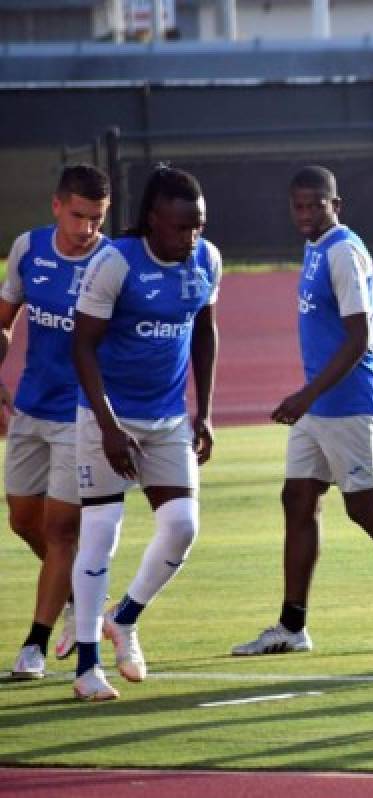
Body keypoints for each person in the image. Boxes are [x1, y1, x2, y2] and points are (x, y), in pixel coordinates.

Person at [232, 166, 373, 658]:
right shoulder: (316, 249)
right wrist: (310, 398)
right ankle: (292, 626)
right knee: (297, 499)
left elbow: (360, 337)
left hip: (345, 400)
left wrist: (306, 395)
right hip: (320, 403)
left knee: (366, 506)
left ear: (337, 204)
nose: (307, 213)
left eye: (317, 204)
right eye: (299, 205)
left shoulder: (343, 251)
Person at [70, 165, 220, 700]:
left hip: (169, 418)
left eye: (198, 226)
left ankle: (125, 618)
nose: (191, 237)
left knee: (182, 526)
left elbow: (205, 330)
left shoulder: (206, 260)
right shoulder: (115, 262)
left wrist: (204, 411)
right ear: (154, 220)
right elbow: (82, 346)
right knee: (102, 530)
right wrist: (108, 425)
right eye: (182, 227)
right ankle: (87, 667)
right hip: (108, 415)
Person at [3, 165, 110, 679]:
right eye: (78, 216)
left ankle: (34, 647)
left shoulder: (111, 262)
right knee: (23, 519)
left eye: (97, 218)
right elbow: (5, 318)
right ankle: (81, 592)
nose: (87, 228)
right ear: (55, 206)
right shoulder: (28, 249)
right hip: (30, 406)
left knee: (61, 528)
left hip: (82, 414)